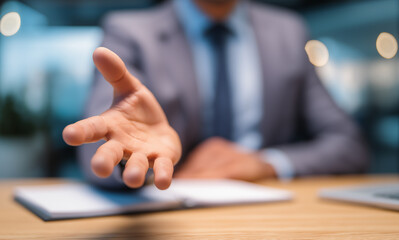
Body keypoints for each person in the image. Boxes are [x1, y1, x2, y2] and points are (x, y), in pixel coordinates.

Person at [63, 0, 369, 190]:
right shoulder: (129, 31)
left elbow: (348, 144)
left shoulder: (289, 32)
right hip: (170, 206)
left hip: (268, 211)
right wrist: (128, 157)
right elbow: (99, 139)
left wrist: (266, 164)